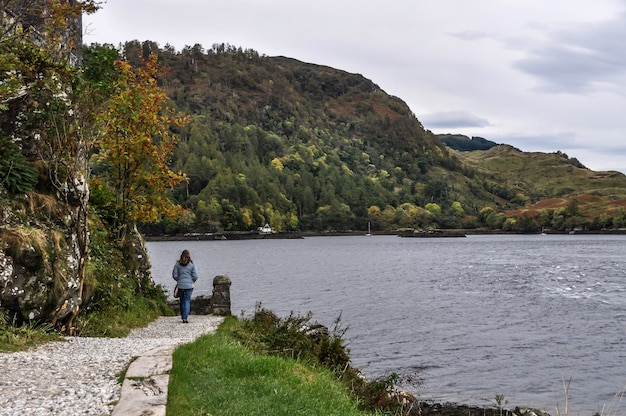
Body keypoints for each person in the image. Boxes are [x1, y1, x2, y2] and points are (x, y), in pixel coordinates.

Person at [172, 249, 198, 323]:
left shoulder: (177, 264)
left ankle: (183, 316)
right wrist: (192, 281)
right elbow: (195, 275)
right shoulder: (192, 264)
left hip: (180, 285)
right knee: (187, 301)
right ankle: (185, 318)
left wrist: (179, 280)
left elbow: (174, 275)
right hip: (189, 286)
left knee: (182, 300)